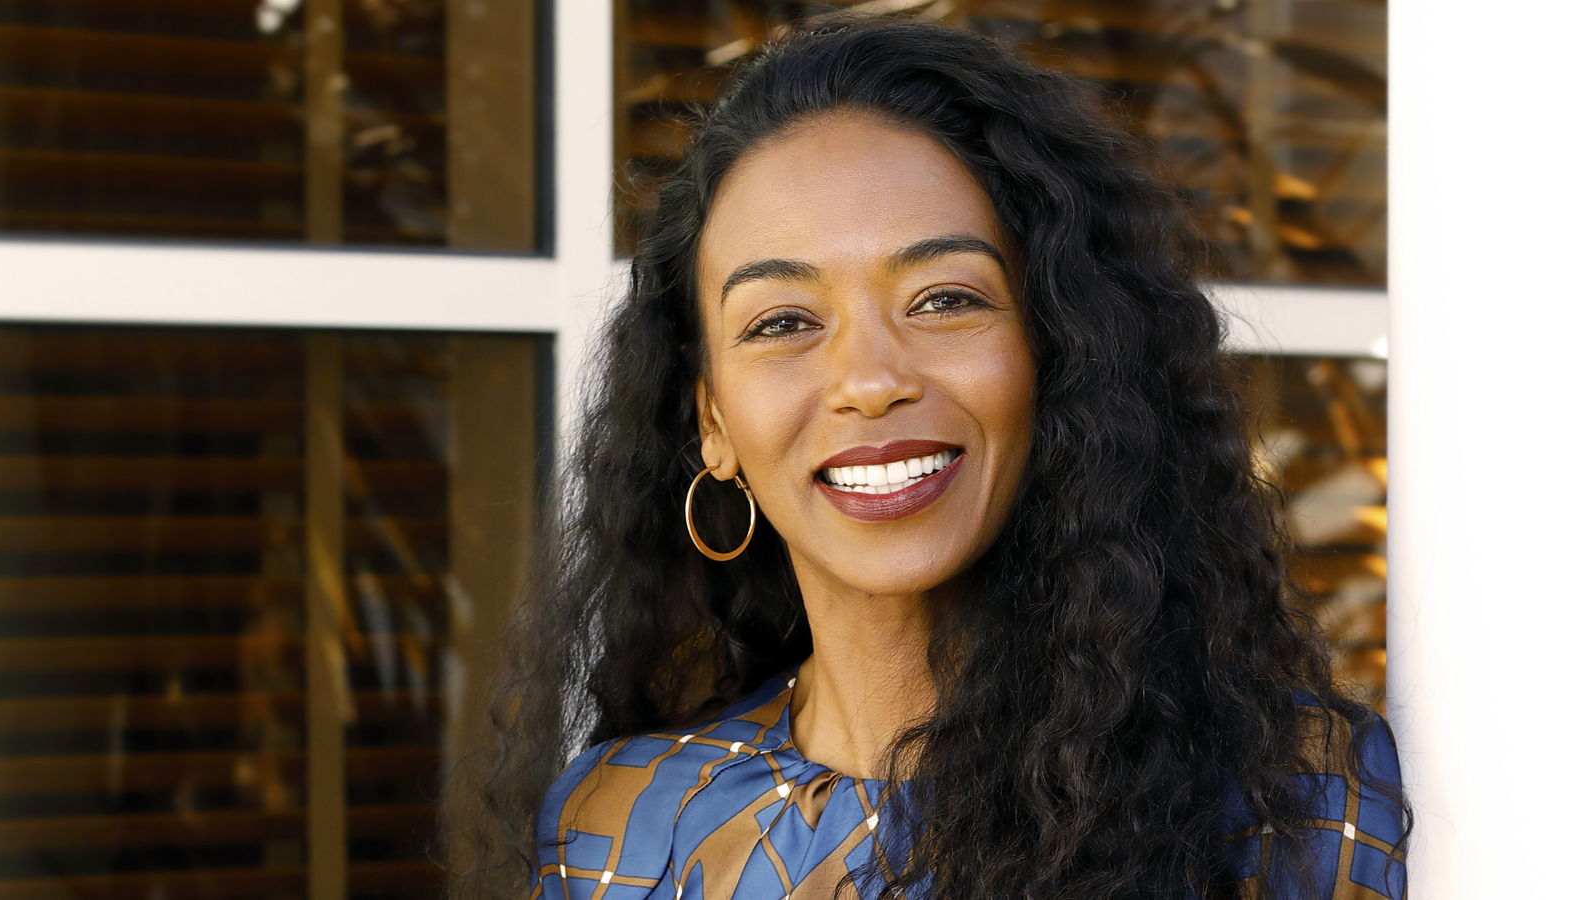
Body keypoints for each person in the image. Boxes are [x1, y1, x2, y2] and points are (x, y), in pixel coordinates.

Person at [453, 13, 1412, 900]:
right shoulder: (620, 831)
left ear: (1061, 354)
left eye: (946, 299)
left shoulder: (1299, 806)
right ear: (712, 418)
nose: (869, 381)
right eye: (782, 321)